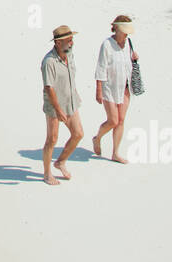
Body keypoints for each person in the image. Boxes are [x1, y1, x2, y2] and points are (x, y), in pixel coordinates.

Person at [92, 15, 139, 163]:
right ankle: (97, 138)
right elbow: (101, 68)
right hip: (109, 88)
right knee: (113, 120)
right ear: (116, 28)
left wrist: (135, 59)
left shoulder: (128, 43)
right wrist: (98, 90)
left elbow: (128, 65)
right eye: (124, 30)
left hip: (124, 87)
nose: (126, 34)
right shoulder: (107, 45)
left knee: (121, 120)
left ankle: (115, 153)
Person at [41, 25, 84, 184]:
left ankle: (60, 162)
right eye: (68, 41)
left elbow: (70, 76)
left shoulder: (70, 55)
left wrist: (75, 93)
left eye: (72, 40)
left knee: (78, 134)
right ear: (58, 43)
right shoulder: (49, 62)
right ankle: (47, 174)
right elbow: (49, 87)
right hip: (54, 106)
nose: (71, 43)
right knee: (52, 139)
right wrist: (58, 110)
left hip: (71, 101)